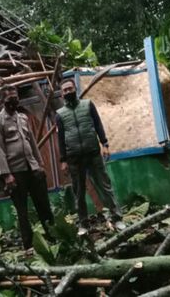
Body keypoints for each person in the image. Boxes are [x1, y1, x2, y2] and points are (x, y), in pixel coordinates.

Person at [56, 78, 125, 235]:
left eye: (70, 88)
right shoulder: (60, 115)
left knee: (105, 186)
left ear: (75, 89)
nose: (68, 92)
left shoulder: (88, 105)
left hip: (93, 153)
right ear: (61, 94)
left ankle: (117, 218)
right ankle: (83, 224)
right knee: (79, 193)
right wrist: (63, 160)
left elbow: (98, 124)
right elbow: (60, 139)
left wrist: (105, 144)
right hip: (74, 158)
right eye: (65, 90)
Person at [0, 85, 54, 253]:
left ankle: (53, 237)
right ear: (1, 101)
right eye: (10, 98)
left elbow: (32, 142)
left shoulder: (23, 118)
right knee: (22, 211)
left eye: (16, 97)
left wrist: (40, 164)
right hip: (15, 172)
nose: (14, 100)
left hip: (32, 168)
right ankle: (28, 245)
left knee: (43, 205)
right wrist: (6, 175)